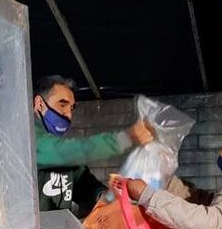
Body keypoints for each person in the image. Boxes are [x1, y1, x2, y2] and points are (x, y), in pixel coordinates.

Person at [34, 75, 153, 217]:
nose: (68, 115)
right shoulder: (28, 141)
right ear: (39, 103)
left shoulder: (63, 157)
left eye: (72, 108)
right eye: (62, 104)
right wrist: (126, 138)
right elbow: (69, 151)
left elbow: (85, 186)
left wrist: (105, 196)